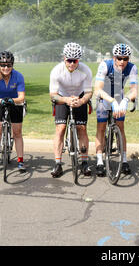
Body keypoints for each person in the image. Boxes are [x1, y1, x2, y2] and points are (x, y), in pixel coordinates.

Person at [94, 43, 138, 177]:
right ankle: (100, 161)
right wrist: (111, 101)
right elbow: (98, 89)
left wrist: (126, 100)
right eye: (119, 58)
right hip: (104, 96)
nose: (122, 61)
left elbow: (134, 90)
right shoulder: (105, 65)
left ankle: (124, 160)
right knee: (101, 128)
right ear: (114, 58)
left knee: (121, 127)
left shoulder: (132, 68)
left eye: (125, 59)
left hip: (119, 97)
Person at [49, 43, 93, 178]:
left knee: (82, 128)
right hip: (62, 97)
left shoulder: (86, 70)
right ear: (64, 58)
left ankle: (84, 162)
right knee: (61, 128)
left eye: (75, 61)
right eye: (69, 60)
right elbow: (53, 95)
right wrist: (66, 100)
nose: (72, 64)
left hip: (79, 97)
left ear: (79, 60)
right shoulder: (56, 71)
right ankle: (57, 164)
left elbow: (89, 92)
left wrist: (81, 101)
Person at [0, 51, 26, 174]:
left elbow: (21, 97)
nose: (6, 68)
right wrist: (1, 101)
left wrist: (11, 100)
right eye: (3, 65)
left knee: (17, 133)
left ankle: (20, 161)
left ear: (12, 65)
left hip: (14, 102)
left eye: (9, 65)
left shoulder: (18, 76)